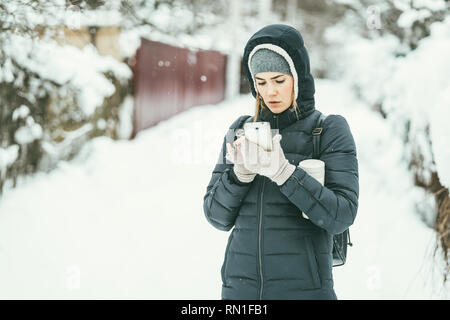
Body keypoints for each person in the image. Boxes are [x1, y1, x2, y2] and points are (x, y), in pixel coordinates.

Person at [202, 24, 359, 300]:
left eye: (279, 80)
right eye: (260, 82)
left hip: (305, 291)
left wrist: (285, 174)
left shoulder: (328, 130)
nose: (270, 92)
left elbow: (341, 215)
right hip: (240, 291)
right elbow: (216, 216)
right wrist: (239, 175)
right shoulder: (240, 130)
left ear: (297, 77)